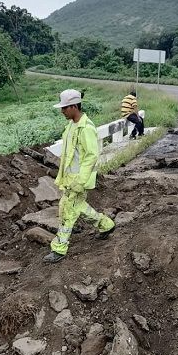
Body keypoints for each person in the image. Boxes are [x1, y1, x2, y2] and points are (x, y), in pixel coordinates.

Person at [43, 89, 115, 264]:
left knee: (68, 210)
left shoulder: (86, 128)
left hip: (78, 180)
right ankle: (106, 225)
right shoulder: (71, 126)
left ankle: (59, 249)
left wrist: (80, 181)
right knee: (77, 207)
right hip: (70, 178)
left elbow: (91, 155)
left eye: (65, 108)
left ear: (74, 106)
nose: (62, 111)